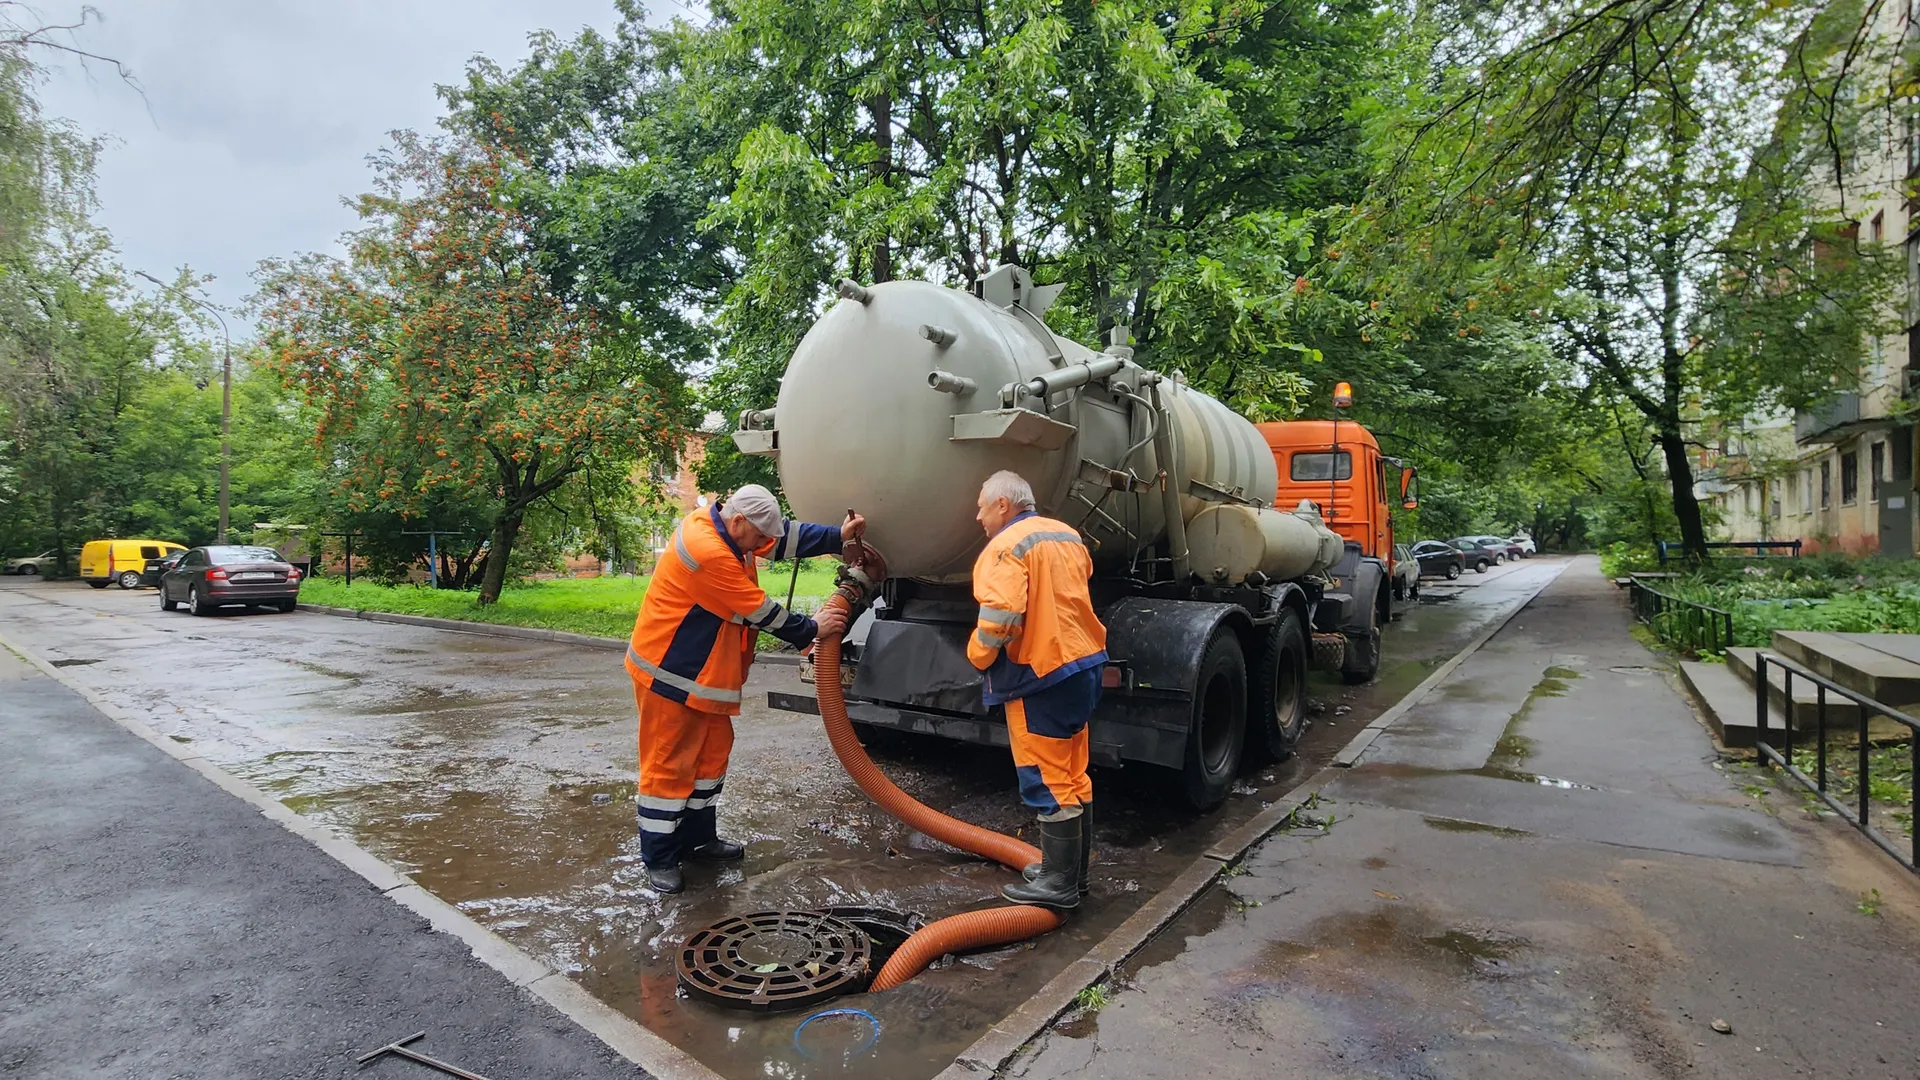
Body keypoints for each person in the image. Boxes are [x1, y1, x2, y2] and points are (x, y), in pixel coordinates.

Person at [626, 484, 860, 894]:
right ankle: (660, 858)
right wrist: (812, 628)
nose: (762, 546)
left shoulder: (731, 530)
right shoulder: (707, 551)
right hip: (671, 676)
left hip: (705, 676)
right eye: (757, 537)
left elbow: (780, 538)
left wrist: (836, 537)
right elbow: (756, 609)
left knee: (710, 760)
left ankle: (698, 841)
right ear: (738, 522)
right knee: (668, 767)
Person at [967, 470, 1108, 909]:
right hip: (1084, 664)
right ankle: (1072, 875)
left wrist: (978, 655)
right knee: (1073, 773)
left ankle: (1058, 886)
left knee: (1046, 779)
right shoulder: (1065, 534)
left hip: (1040, 675)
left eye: (982, 507)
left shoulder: (1005, 546)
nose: (978, 517)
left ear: (1003, 505)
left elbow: (1001, 614)